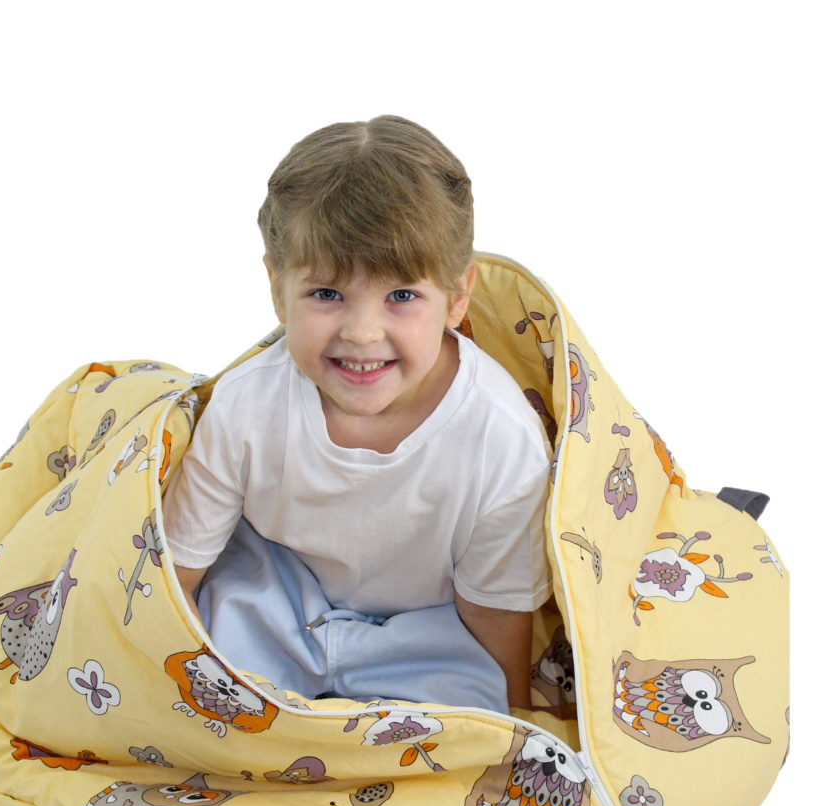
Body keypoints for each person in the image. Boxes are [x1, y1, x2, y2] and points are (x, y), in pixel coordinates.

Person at [162, 115, 554, 715]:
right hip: (273, 604)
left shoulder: (500, 436)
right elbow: (176, 575)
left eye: (402, 296)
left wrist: (513, 720)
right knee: (193, 689)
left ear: (457, 297)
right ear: (277, 289)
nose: (363, 333)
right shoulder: (244, 406)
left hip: (429, 630)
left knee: (470, 725)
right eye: (327, 294)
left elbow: (494, 611)